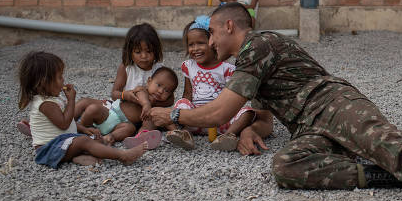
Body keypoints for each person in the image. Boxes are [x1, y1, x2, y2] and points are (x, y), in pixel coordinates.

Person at [149, 3, 402, 201]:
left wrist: (175, 117)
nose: (210, 43)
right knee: (286, 166)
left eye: (212, 33)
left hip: (331, 102)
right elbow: (261, 115)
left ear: (229, 26)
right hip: (307, 125)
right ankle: (391, 176)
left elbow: (219, 112)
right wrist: (247, 130)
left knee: (379, 139)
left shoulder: (258, 44)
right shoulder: (248, 61)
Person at [18, 51, 147, 168]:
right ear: (44, 82)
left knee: (95, 138)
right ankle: (123, 156)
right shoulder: (45, 104)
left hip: (61, 143)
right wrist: (71, 100)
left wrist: (84, 129)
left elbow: (67, 123)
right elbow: (64, 124)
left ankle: (79, 157)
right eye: (59, 77)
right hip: (49, 150)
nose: (63, 80)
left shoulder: (52, 98)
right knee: (84, 141)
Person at [166, 15, 270, 151]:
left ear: (212, 42)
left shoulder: (226, 69)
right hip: (195, 120)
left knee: (248, 112)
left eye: (200, 43)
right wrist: (185, 113)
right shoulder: (188, 66)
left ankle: (227, 136)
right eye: (191, 45)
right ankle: (185, 134)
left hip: (221, 120)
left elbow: (231, 99)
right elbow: (187, 93)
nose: (195, 48)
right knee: (181, 103)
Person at [74, 23, 170, 149]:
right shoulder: (126, 68)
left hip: (134, 119)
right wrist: (126, 95)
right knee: (85, 102)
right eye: (138, 52)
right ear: (130, 51)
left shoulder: (160, 71)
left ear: (156, 50)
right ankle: (68, 121)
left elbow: (170, 98)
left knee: (132, 128)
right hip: (116, 108)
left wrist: (153, 101)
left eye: (149, 51)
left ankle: (117, 137)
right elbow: (115, 93)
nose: (144, 56)